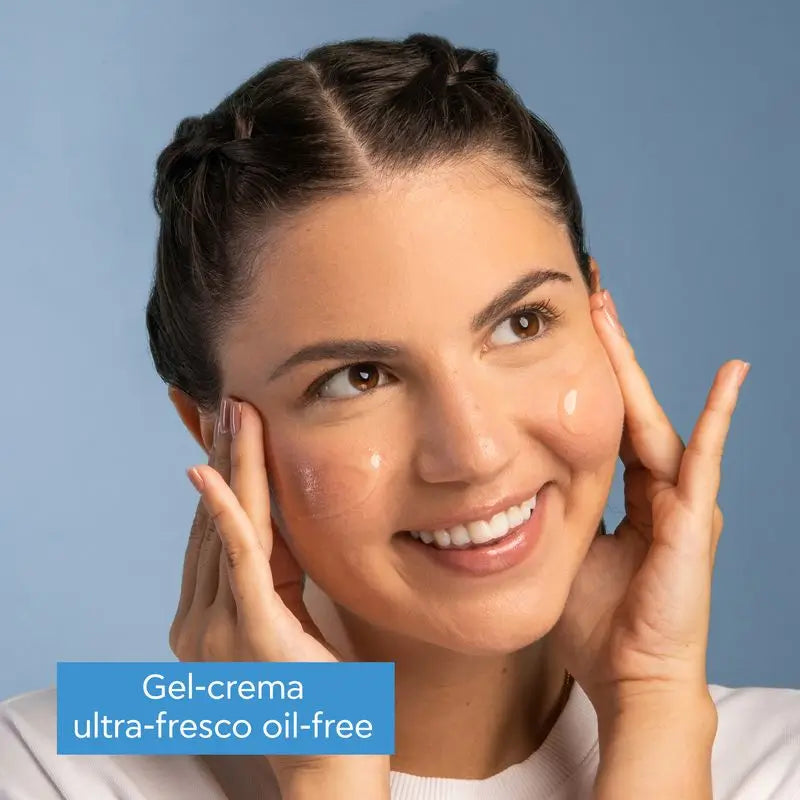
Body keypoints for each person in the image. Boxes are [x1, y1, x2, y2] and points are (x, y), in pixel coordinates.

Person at [1, 32, 798, 800]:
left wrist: (654, 709)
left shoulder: (779, 757)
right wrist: (324, 764)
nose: (476, 452)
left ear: (599, 315)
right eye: (359, 378)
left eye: (521, 324)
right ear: (213, 431)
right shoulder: (49, 762)